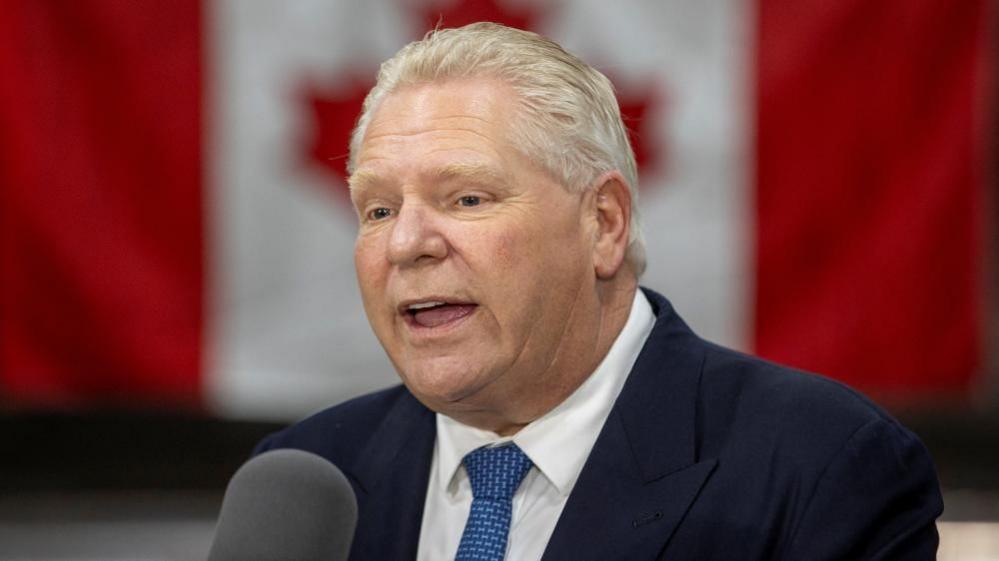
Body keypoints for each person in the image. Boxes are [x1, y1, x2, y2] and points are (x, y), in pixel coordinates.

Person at [255, 22, 942, 561]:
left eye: (465, 198)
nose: (405, 243)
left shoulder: (818, 467)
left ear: (602, 223)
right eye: (376, 210)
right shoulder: (309, 481)